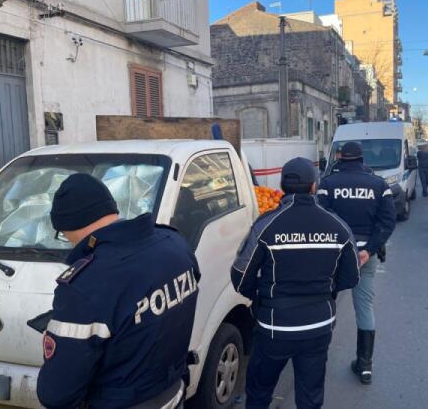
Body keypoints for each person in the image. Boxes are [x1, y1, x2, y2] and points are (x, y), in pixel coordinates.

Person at [37, 173, 199, 409]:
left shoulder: (85, 286)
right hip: (173, 393)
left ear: (67, 227)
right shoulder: (175, 244)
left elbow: (56, 394)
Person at [231, 158, 361, 409]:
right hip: (318, 326)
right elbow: (352, 276)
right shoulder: (337, 225)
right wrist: (327, 291)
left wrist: (259, 299)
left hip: (274, 326)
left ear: (282, 185)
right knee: (310, 397)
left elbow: (240, 275)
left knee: (259, 392)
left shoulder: (266, 224)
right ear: (313, 186)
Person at [317, 142, 396, 385]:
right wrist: (369, 250)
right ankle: (365, 365)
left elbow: (321, 219)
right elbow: (387, 222)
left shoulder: (327, 184)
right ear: (362, 159)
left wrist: (341, 247)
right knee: (364, 307)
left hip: (334, 255)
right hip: (365, 255)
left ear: (340, 157)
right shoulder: (379, 185)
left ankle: (317, 360)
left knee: (324, 304)